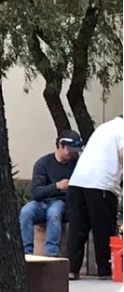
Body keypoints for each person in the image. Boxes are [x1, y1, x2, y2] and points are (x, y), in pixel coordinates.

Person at [67, 115, 123, 280]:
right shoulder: (122, 130)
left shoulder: (104, 127)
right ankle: (105, 270)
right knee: (103, 229)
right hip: (101, 184)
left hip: (77, 182)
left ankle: (72, 269)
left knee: (77, 228)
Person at [19, 130, 82, 257]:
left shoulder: (75, 164)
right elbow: (36, 192)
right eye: (69, 149)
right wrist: (56, 186)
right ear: (61, 146)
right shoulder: (43, 163)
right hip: (41, 201)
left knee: (54, 213)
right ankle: (26, 252)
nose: (72, 153)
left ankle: (51, 253)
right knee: (26, 212)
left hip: (61, 202)